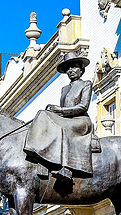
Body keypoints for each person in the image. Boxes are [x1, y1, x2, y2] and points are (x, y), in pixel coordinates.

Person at [24, 51, 93, 181]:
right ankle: (39, 155)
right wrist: (54, 111)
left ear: (81, 69)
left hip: (81, 120)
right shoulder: (64, 89)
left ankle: (67, 169)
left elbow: (83, 106)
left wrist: (60, 110)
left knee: (61, 128)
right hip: (66, 119)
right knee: (43, 114)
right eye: (68, 68)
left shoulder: (86, 84)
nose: (71, 70)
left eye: (74, 67)